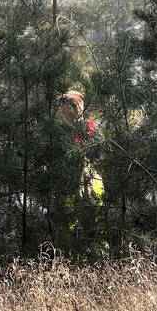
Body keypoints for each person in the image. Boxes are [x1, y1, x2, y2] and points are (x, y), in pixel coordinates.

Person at [59, 90, 105, 234]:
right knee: (72, 222)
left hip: (94, 180)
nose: (68, 111)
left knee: (98, 219)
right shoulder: (61, 133)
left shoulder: (94, 127)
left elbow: (105, 154)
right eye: (64, 108)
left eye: (72, 106)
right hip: (69, 181)